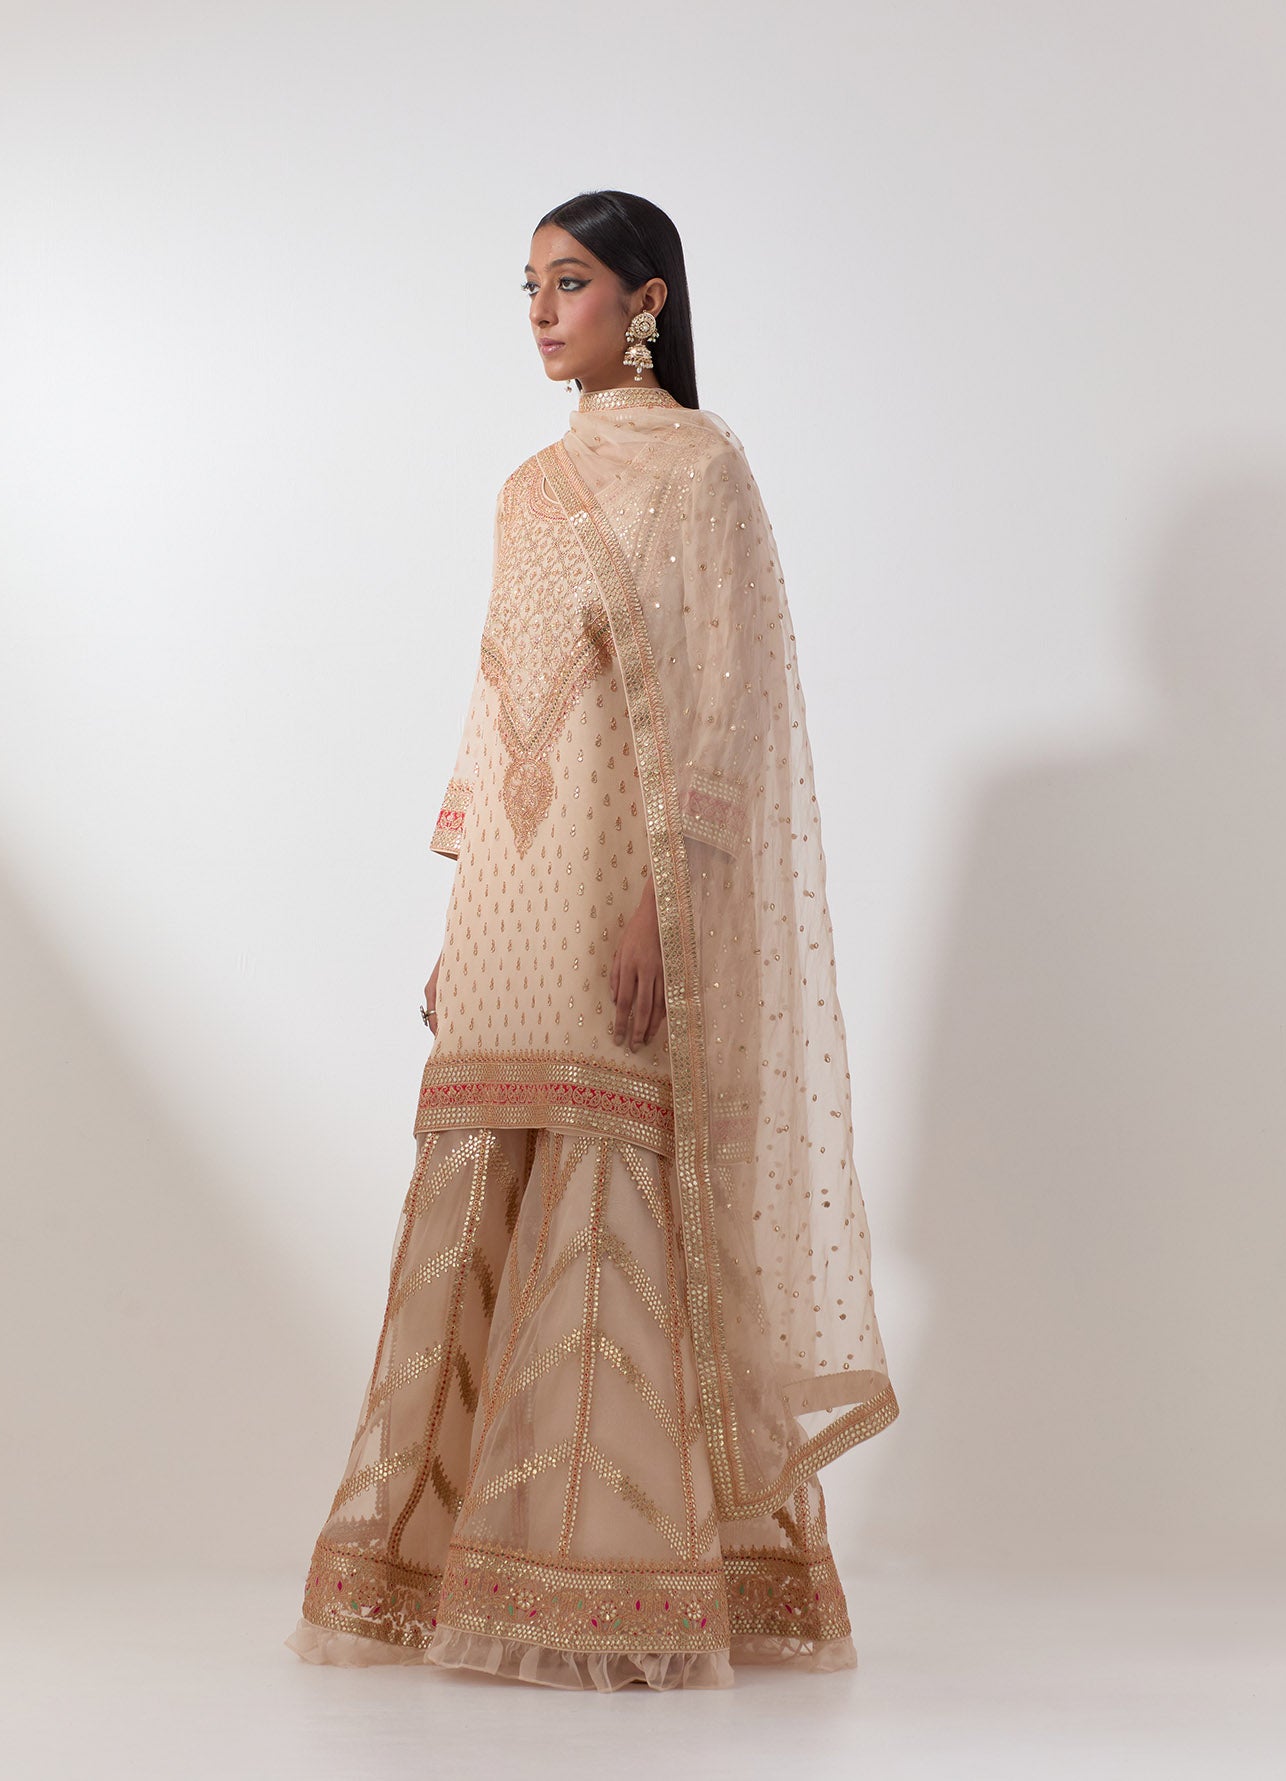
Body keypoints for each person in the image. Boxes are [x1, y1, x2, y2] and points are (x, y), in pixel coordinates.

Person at [284, 189, 899, 1692]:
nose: (543, 312)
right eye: (529, 287)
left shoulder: (700, 469)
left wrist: (661, 904)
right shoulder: (525, 487)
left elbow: (727, 696)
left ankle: (619, 1574)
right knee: (483, 1168)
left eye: (569, 282)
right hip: (514, 884)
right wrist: (462, 906)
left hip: (623, 872)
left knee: (616, 1170)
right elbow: (497, 690)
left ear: (646, 302)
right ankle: (445, 1565)